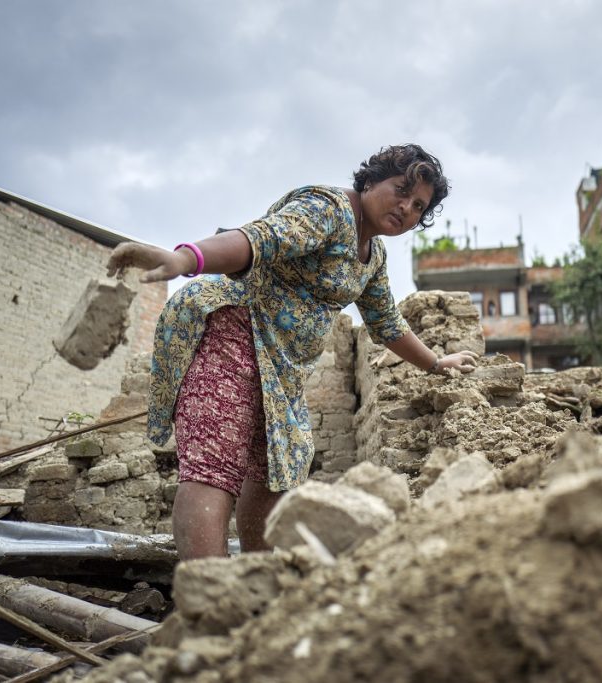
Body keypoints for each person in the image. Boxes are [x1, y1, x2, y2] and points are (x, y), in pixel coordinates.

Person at [106, 144, 479, 560]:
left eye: (418, 205)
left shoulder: (372, 255)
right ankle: (208, 604)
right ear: (371, 180)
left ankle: (257, 583)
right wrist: (187, 258)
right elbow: (259, 240)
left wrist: (434, 362)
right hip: (231, 332)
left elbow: (386, 322)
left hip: (281, 369)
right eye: (400, 189)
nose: (406, 207)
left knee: (277, 472)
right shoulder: (329, 209)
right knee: (214, 464)